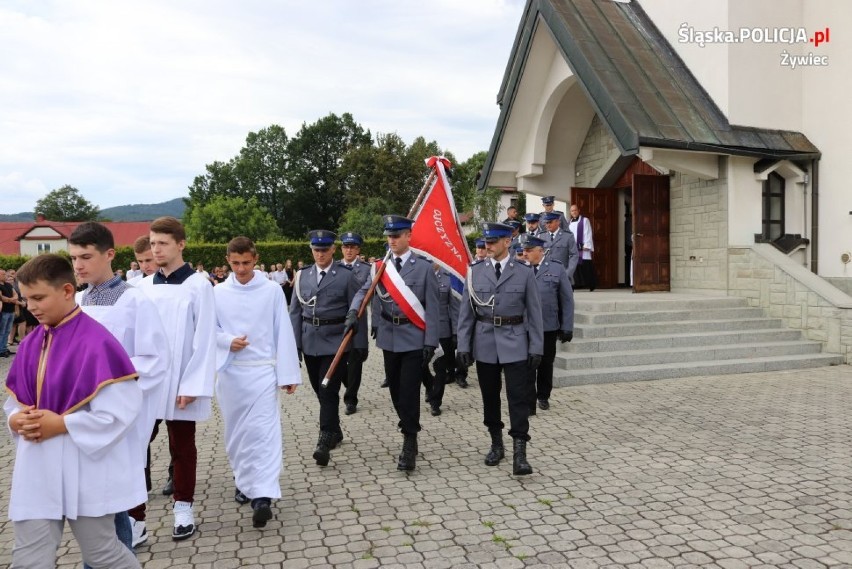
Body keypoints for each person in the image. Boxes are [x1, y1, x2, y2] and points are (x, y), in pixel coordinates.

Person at [5, 254, 143, 568]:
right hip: (38, 466)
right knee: (29, 557)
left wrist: (64, 424)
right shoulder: (29, 343)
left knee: (102, 553)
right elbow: (13, 402)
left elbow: (120, 412)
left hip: (86, 468)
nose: (32, 307)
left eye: (39, 298)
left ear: (67, 291)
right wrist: (16, 419)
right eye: (27, 299)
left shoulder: (97, 342)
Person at [68, 222, 170, 552]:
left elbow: (155, 359)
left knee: (114, 500)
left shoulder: (134, 301)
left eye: (86, 256)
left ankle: (120, 555)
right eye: (73, 258)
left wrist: (106, 381)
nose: (78, 265)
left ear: (109, 254)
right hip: (79, 413)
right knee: (92, 503)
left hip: (117, 415)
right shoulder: (77, 301)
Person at [135, 216, 217, 541]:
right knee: (136, 444)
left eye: (163, 243)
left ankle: (183, 506)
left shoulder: (198, 286)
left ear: (180, 244)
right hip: (146, 382)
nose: (156, 249)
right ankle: (134, 516)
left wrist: (194, 384)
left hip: (181, 382)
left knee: (182, 446)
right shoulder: (141, 287)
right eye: (153, 243)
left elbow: (206, 338)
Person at [215, 237, 301, 528]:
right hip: (231, 373)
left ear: (256, 259)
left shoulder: (272, 290)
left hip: (263, 371)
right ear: (228, 260)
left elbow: (283, 331)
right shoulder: (217, 293)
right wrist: (227, 341)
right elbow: (206, 331)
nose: (241, 269)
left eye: (246, 263)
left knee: (264, 433)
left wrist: (288, 375)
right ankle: (244, 480)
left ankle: (262, 495)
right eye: (235, 263)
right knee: (238, 434)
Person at [345, 215, 439, 471]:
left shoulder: (423, 268)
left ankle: (409, 439)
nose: (392, 240)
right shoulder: (379, 267)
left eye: (397, 236)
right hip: (389, 337)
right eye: (389, 236)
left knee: (409, 391)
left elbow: (433, 308)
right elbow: (364, 292)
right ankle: (408, 425)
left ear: (409, 236)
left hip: (414, 337)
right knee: (396, 391)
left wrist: (431, 341)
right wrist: (354, 311)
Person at [456, 222, 544, 476]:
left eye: (493, 242)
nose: (487, 247)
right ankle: (496, 444)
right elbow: (466, 314)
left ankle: (520, 452)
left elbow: (535, 314)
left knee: (518, 398)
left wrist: (536, 347)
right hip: (485, 343)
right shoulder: (474, 272)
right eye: (485, 243)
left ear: (508, 242)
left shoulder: (524, 272)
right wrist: (464, 345)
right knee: (490, 397)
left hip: (516, 341)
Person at [290, 230, 367, 467]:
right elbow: (294, 313)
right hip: (310, 341)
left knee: (328, 390)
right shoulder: (302, 275)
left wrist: (360, 344)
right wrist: (294, 347)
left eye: (324, 249)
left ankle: (324, 440)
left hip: (335, 342)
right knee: (318, 388)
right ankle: (335, 429)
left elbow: (359, 312)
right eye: (316, 250)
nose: (320, 254)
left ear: (333, 250)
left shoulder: (345, 276)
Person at [522, 236, 574, 414]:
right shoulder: (519, 268)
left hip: (548, 325)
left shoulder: (556, 268)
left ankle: (543, 396)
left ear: (540, 251)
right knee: (526, 364)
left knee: (545, 363)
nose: (525, 254)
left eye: (529, 250)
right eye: (524, 250)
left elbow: (567, 299)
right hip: (525, 326)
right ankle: (529, 400)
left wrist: (567, 326)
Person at [338, 232, 370, 415]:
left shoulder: (366, 269)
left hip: (358, 321)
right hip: (338, 322)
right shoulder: (335, 268)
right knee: (340, 361)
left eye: (352, 247)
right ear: (342, 248)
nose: (349, 250)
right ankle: (349, 386)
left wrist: (378, 323)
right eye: (346, 246)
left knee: (356, 360)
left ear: (358, 249)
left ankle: (351, 398)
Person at [429, 262, 460, 414]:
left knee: (440, 369)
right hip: (422, 329)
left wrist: (455, 332)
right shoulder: (419, 275)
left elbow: (454, 308)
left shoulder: (448, 279)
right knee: (420, 367)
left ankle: (436, 401)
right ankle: (430, 386)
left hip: (442, 331)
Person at [541, 212, 579, 284]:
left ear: (558, 222)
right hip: (545, 276)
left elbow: (574, 255)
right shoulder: (541, 236)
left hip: (562, 275)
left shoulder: (568, 236)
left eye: (550, 222)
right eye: (546, 223)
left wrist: (568, 273)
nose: (548, 225)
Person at [569, 204, 597, 291]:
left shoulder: (585, 221)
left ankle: (592, 284)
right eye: (572, 211)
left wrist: (585, 246)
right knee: (575, 267)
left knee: (586, 266)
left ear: (578, 210)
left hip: (583, 248)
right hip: (573, 249)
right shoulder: (568, 223)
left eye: (575, 210)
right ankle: (578, 284)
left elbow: (588, 233)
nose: (574, 212)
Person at [0, 268, 18, 357]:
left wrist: (12, 299)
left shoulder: (8, 284)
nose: (5, 276)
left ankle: (4, 348)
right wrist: (12, 300)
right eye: (3, 274)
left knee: (7, 331)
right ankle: (1, 350)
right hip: (4, 311)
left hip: (11, 310)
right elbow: (2, 298)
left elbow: (15, 294)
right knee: (2, 331)